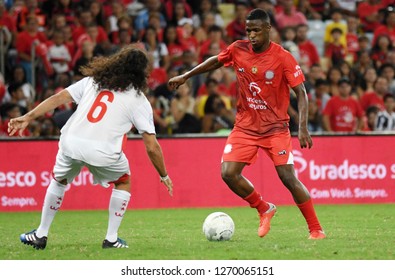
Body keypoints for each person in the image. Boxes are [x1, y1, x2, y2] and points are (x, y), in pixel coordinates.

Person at [168, 8, 325, 240]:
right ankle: (264, 208)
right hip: (245, 126)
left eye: (256, 30)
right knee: (228, 173)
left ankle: (315, 229)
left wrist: (302, 127)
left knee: (288, 178)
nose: (251, 35)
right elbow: (215, 62)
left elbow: (301, 92)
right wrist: (186, 76)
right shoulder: (237, 49)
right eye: (248, 30)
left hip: (275, 128)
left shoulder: (282, 57)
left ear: (268, 29)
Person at [8, 45, 173, 250]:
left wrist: (28, 117)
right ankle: (111, 239)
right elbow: (152, 146)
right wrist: (163, 175)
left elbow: (57, 99)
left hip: (71, 143)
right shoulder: (139, 100)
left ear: (117, 61)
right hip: (103, 152)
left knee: (59, 181)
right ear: (142, 73)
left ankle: (41, 234)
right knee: (123, 181)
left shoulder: (93, 81)